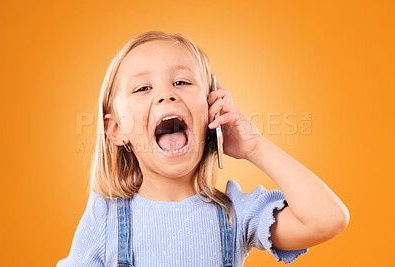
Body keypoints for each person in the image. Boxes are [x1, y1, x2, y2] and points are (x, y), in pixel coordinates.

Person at [56, 31, 349, 266]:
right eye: (143, 88)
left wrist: (255, 147)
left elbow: (328, 219)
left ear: (211, 109)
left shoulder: (237, 213)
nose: (166, 94)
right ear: (117, 129)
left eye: (182, 82)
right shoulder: (105, 218)